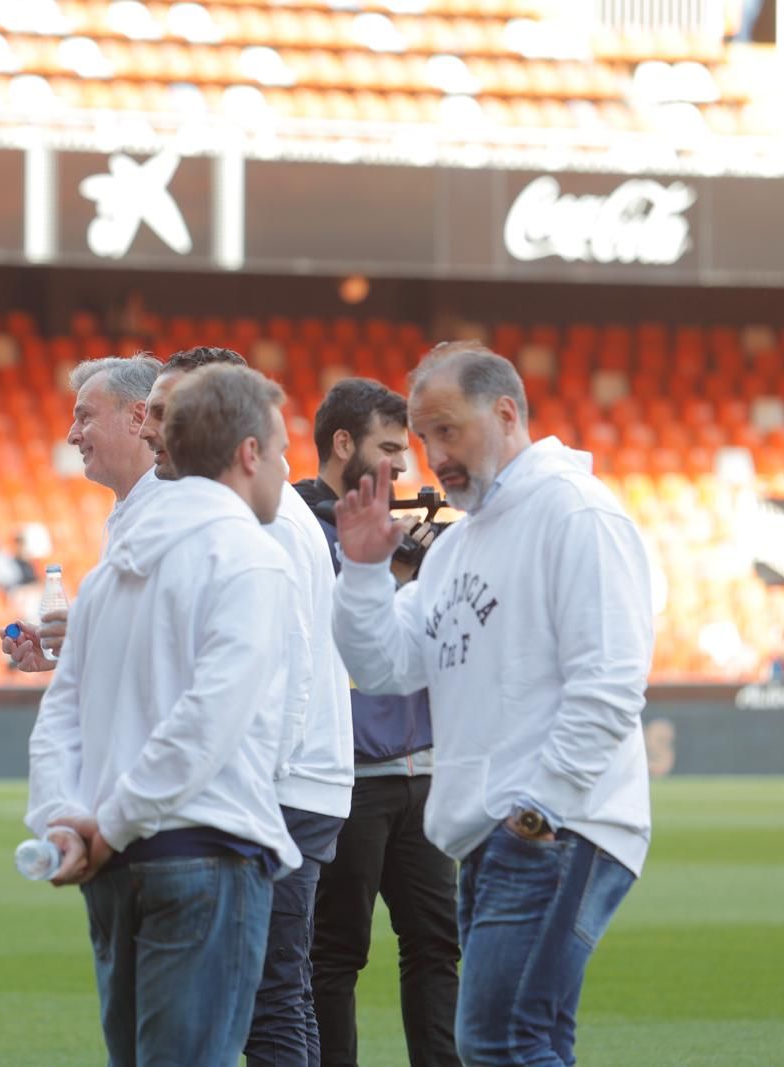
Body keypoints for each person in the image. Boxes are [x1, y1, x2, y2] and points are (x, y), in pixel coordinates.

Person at [332, 343, 654, 1067]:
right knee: (527, 1040)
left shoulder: (575, 513)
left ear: (506, 412)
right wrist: (360, 572)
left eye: (448, 430)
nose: (432, 454)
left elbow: (609, 679)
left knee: (499, 1041)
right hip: (499, 830)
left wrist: (539, 811)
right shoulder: (459, 544)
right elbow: (384, 665)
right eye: (422, 436)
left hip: (553, 823)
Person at [27, 364, 302, 1067]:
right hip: (203, 852)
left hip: (118, 866)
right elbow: (207, 720)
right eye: (279, 449)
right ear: (247, 453)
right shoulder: (249, 557)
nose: (283, 467)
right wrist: (109, 828)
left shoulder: (115, 564)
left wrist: (66, 818)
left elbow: (63, 710)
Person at [140, 347, 354, 1066]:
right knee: (277, 990)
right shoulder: (251, 513)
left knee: (266, 994)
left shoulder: (264, 520)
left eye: (169, 412)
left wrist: (257, 785)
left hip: (281, 785)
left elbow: (285, 664)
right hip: (294, 777)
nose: (156, 429)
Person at [295, 378, 462, 1067]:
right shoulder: (296, 525)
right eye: (388, 448)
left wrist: (426, 560)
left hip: (419, 767)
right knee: (336, 950)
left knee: (436, 940)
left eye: (407, 447)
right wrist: (390, 566)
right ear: (343, 444)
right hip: (346, 774)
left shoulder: (415, 521)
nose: (402, 464)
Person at [1, 355, 162, 671]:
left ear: (138, 417)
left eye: (85, 417)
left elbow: (169, 639)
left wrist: (79, 638)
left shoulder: (172, 513)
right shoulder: (128, 511)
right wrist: (64, 653)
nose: (72, 435)